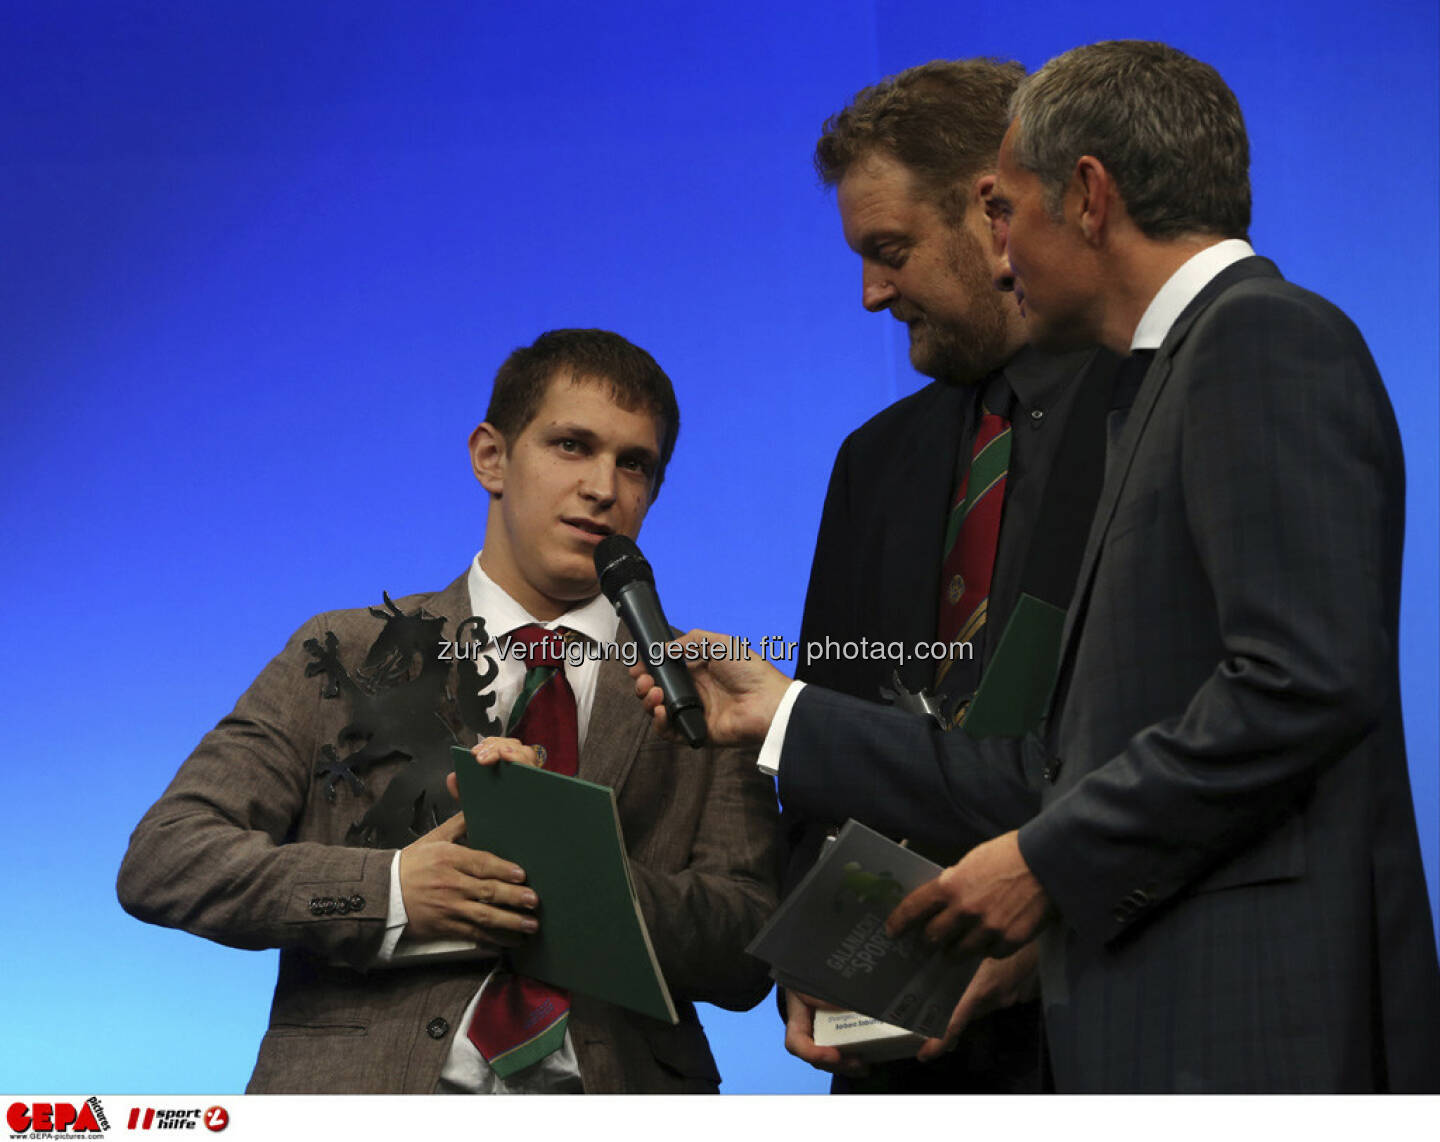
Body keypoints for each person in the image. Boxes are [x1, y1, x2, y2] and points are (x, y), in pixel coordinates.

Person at [635, 43, 1440, 1091]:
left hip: (1211, 1015)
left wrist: (1043, 866)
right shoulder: (1143, 386)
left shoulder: (1251, 346)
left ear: (1082, 196)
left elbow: (1295, 683)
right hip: (991, 1029)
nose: (876, 291)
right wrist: (823, 933)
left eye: (1006, 210)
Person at [118, 328, 779, 1094]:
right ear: (491, 458)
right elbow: (165, 859)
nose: (604, 486)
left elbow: (747, 951)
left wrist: (582, 880)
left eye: (635, 464)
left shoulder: (704, 688)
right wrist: (396, 891)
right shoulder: (344, 648)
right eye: (571, 445)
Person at [785, 59, 1118, 1092]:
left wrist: (1052, 928)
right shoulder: (870, 459)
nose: (871, 293)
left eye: (890, 252)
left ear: (993, 210)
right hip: (901, 1048)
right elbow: (826, 723)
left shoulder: (1164, 412)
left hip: (1108, 1022)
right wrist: (813, 943)